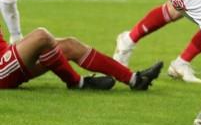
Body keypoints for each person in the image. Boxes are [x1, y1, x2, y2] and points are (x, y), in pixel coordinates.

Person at [1, 27, 162, 90]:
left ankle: (135, 80)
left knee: (70, 45)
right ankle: (77, 83)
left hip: (6, 58)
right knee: (41, 37)